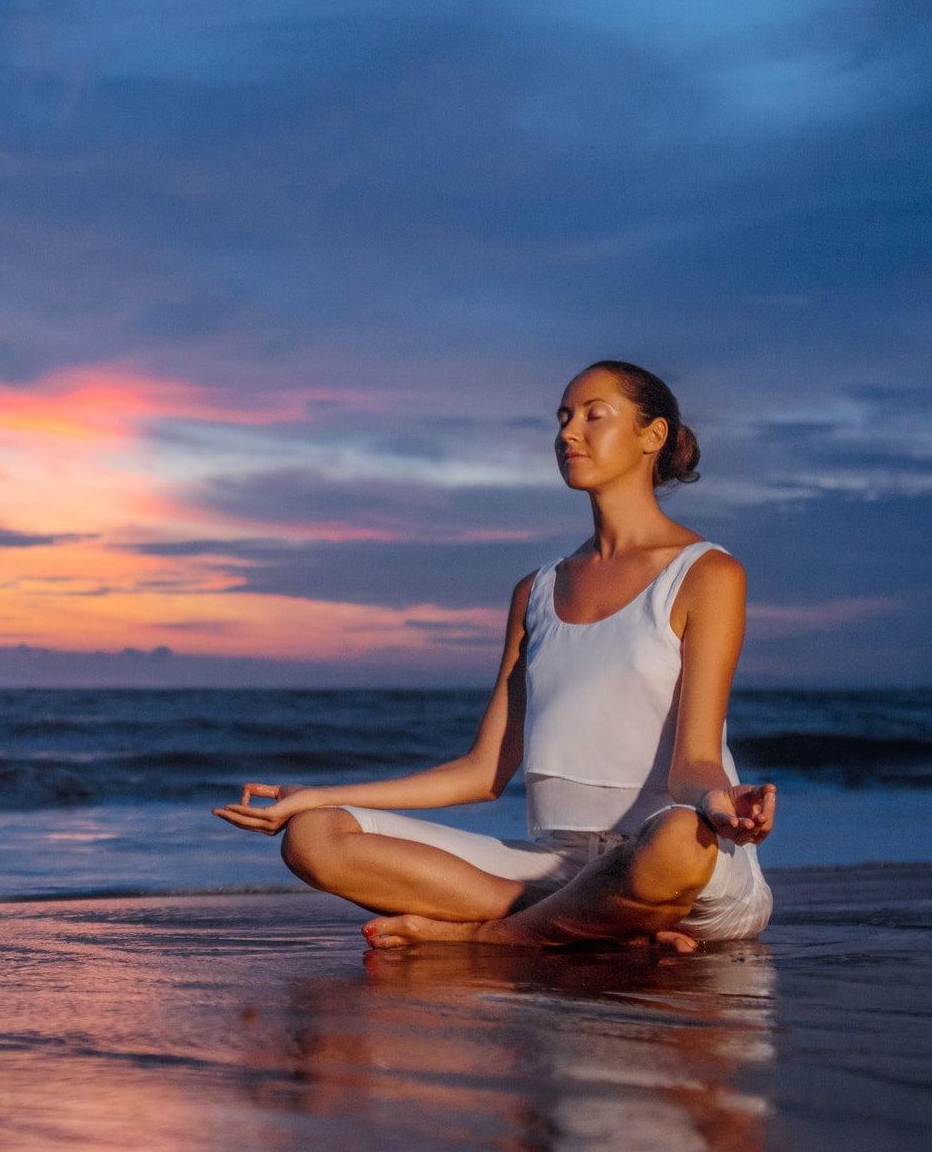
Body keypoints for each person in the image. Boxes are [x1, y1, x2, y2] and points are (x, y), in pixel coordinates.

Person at [214, 360, 775, 952]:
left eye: (593, 416)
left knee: (679, 839)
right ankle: (596, 925)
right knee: (313, 838)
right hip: (556, 868)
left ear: (651, 436)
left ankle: (489, 939)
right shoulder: (535, 591)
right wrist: (322, 795)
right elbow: (484, 773)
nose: (568, 433)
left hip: (677, 864)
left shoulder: (706, 573)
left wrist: (721, 803)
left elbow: (694, 760)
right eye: (562, 418)